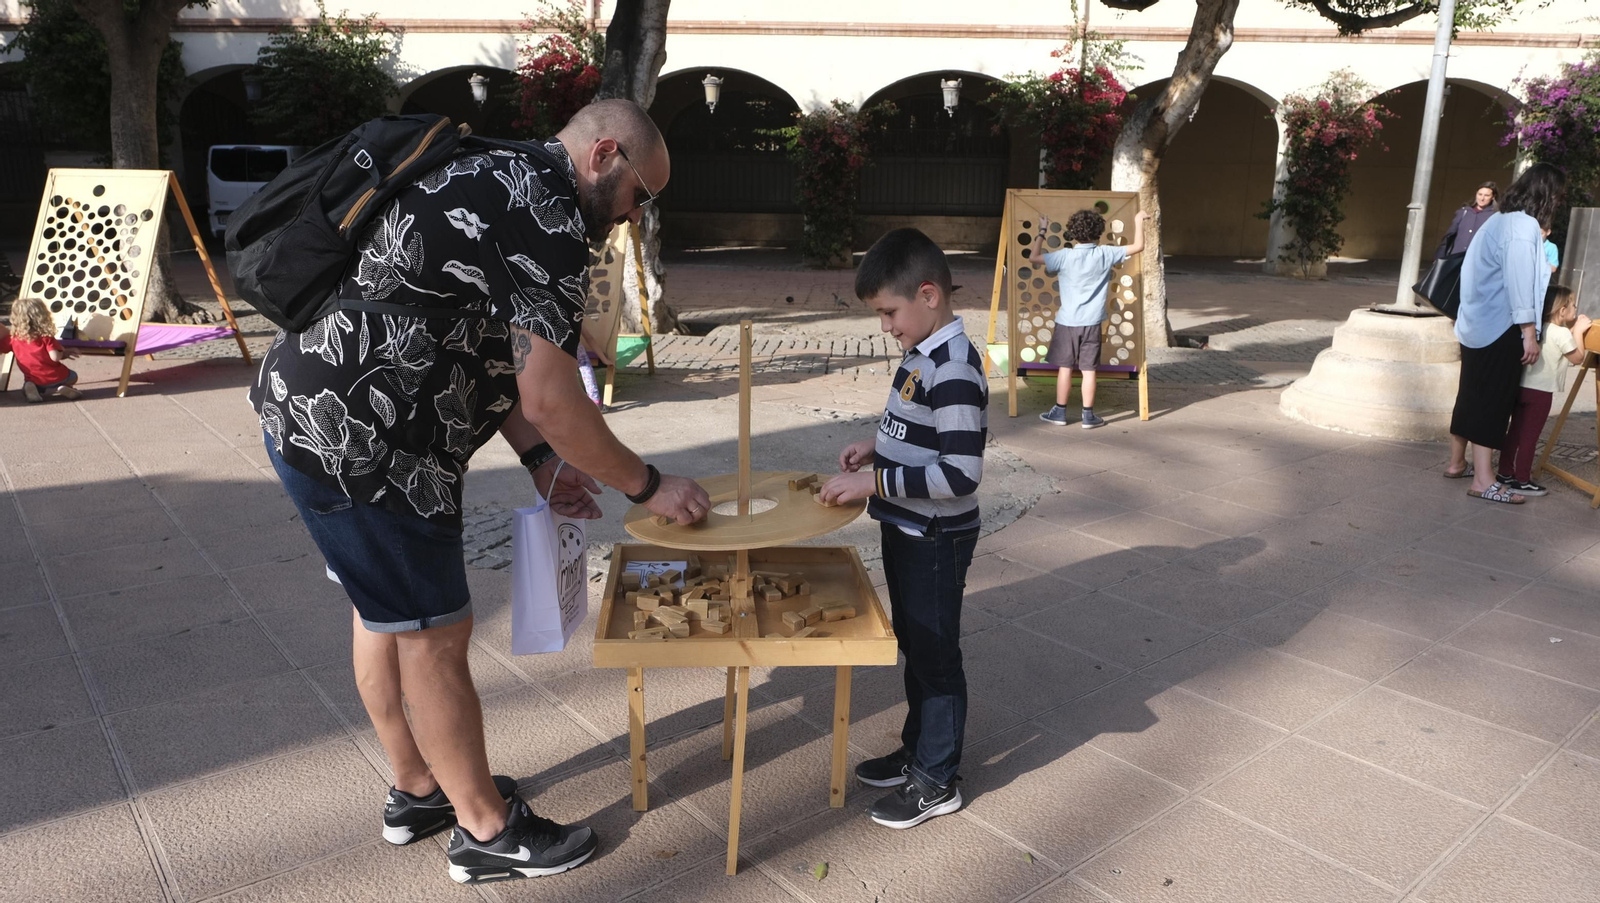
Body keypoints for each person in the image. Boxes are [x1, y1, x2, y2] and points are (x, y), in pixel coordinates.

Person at [248, 99, 712, 885]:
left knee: (384, 610)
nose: (634, 217)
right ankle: (485, 829)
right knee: (434, 630)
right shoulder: (552, 215)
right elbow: (555, 399)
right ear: (604, 156)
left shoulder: (491, 171)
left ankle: (419, 787)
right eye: (642, 195)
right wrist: (650, 485)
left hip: (315, 413)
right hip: (372, 442)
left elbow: (479, 348)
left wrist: (544, 465)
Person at [819, 228, 986, 830]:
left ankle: (937, 779)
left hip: (936, 541)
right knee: (916, 647)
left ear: (929, 294)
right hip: (909, 532)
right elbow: (921, 435)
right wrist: (876, 446)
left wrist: (875, 484)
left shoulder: (956, 367)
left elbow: (961, 473)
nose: (886, 326)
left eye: (890, 312)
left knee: (936, 658)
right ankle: (917, 751)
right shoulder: (923, 356)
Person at [1444, 163, 1567, 503]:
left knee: (1471, 394)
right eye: (1556, 197)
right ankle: (1484, 481)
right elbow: (1519, 280)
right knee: (1494, 401)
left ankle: (1458, 464)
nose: (1557, 203)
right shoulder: (1522, 225)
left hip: (1476, 323)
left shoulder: (1496, 220)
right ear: (1546, 195)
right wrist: (1529, 331)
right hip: (1501, 326)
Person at [1035, 208, 1147, 428]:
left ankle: (1059, 412)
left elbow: (1033, 257)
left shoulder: (1064, 255)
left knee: (1065, 368)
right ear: (1099, 232)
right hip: (1092, 322)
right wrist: (1138, 221)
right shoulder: (1105, 253)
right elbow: (1138, 246)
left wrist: (1042, 231)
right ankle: (1088, 416)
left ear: (1072, 233)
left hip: (1067, 322)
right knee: (1089, 370)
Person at [1496, 286, 1590, 496]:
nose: (1576, 308)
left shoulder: (1538, 327)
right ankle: (1522, 479)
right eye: (1573, 304)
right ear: (1562, 310)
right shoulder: (1562, 332)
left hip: (1521, 387)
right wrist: (1578, 332)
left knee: (1515, 432)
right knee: (1530, 436)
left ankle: (1504, 472)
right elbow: (1577, 358)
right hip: (1540, 394)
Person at [1, 297, 81, 402]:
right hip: (57, 376)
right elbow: (55, 357)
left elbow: (2, 348)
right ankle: (61, 387)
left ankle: (31, 388)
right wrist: (64, 353)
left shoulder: (13, 338)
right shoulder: (46, 337)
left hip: (34, 378)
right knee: (73, 376)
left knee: (32, 383)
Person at [1436, 181, 1499, 257]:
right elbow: (1449, 235)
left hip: (1477, 259)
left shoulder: (1495, 216)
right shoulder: (1464, 212)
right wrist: (1439, 256)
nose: (1482, 198)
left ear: (1493, 197)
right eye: (1480, 194)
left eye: (1486, 195)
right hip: (1455, 258)